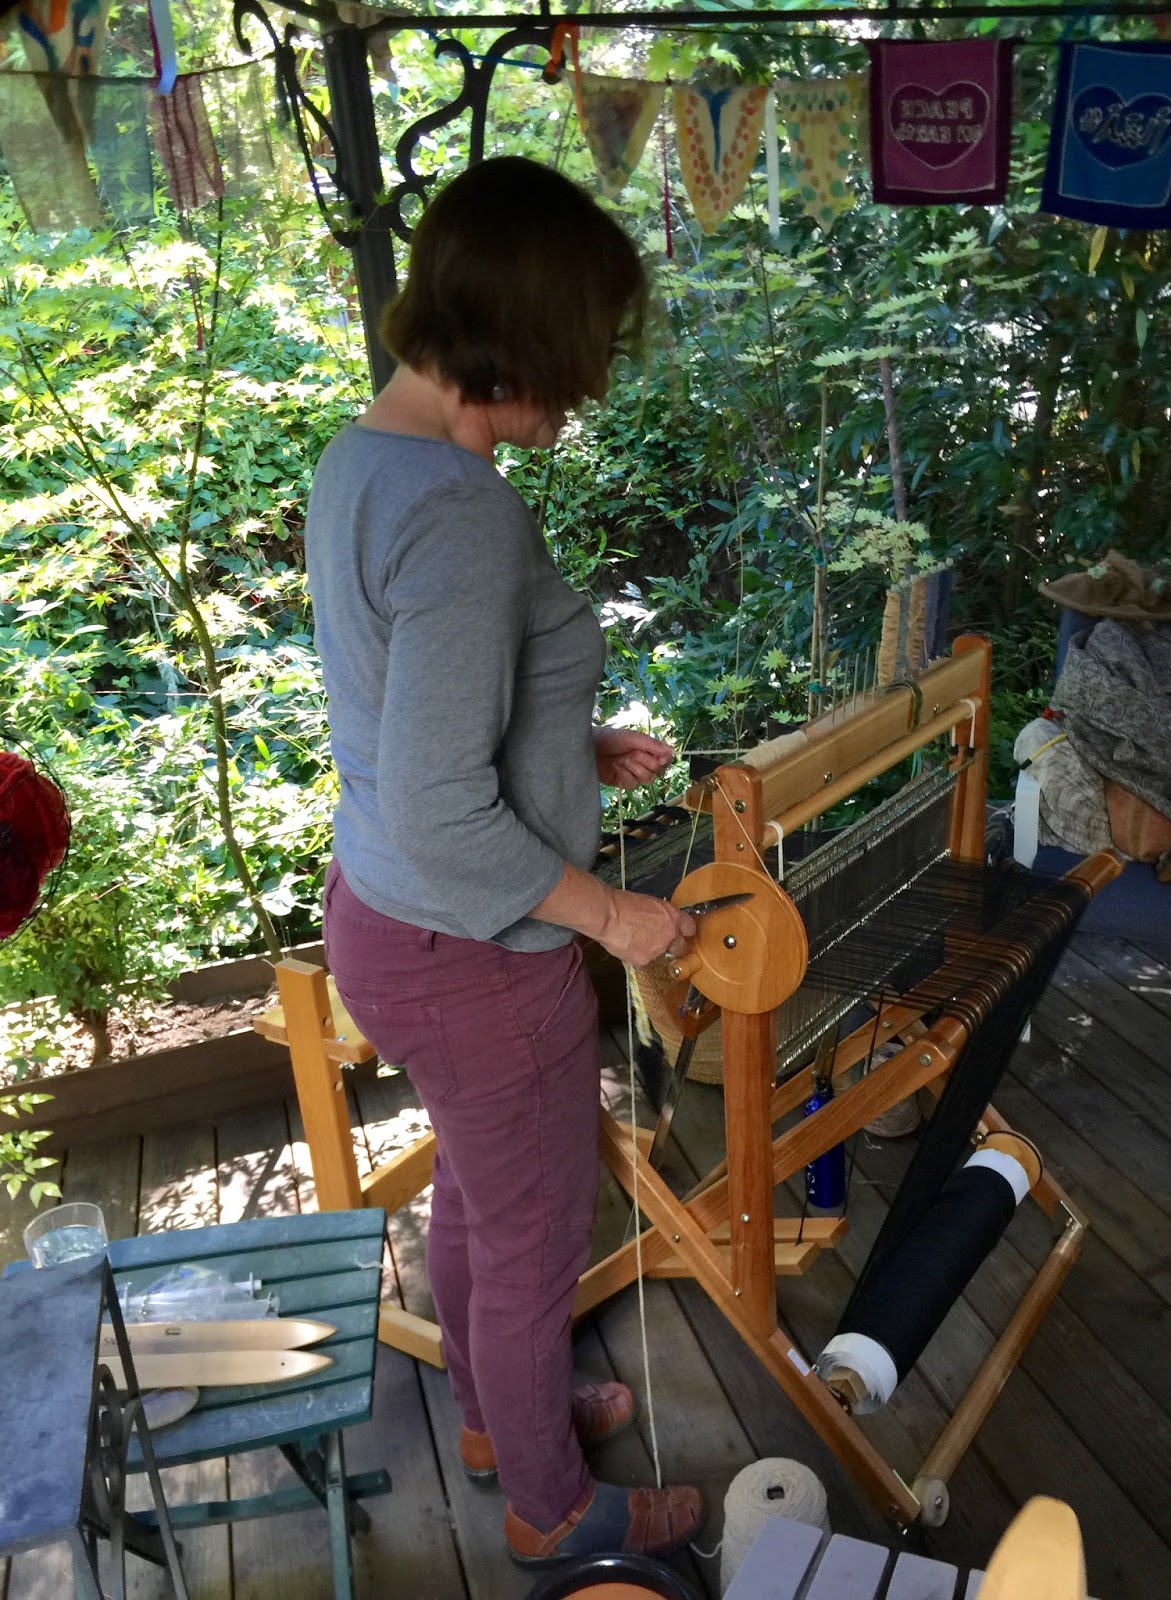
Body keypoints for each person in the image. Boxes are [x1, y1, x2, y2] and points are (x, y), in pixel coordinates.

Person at [305, 155, 703, 1568]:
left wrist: (566, 751)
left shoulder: (363, 458)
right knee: (536, 1235)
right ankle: (554, 1509)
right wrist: (617, 918)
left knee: (480, 1190)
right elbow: (442, 808)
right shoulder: (461, 512)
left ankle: (492, 1420)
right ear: (523, 341)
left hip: (384, 924)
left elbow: (406, 714)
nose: (583, 390)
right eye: (579, 353)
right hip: (480, 949)